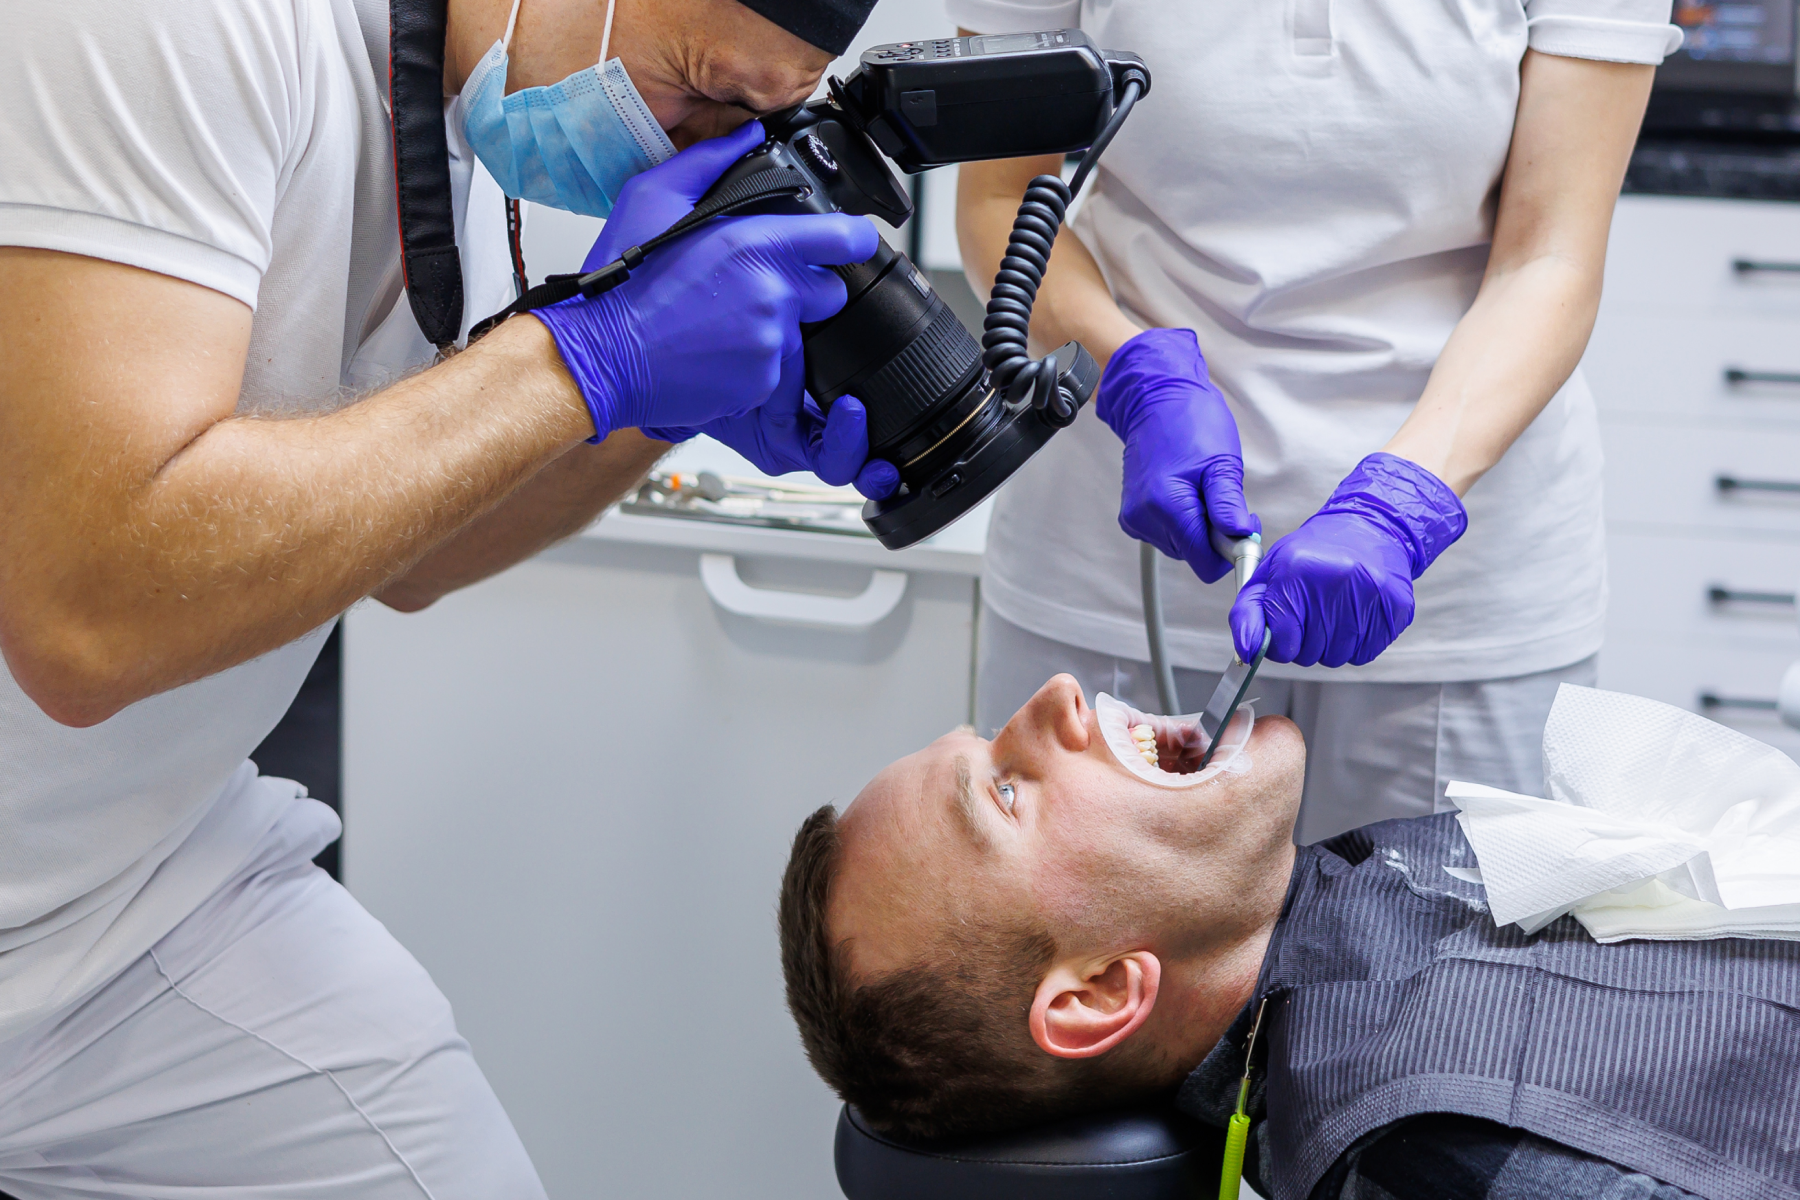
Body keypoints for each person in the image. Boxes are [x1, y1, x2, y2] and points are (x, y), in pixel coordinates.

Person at [0, 0, 893, 1193]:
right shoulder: (184, 26)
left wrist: (654, 403)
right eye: (702, 88)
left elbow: (410, 559)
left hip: (141, 882)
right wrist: (589, 351)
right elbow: (87, 615)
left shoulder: (444, 92)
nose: (699, 147)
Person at [953, 0, 1682, 842]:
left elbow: (1552, 256)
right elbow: (1000, 199)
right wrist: (1134, 375)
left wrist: (1401, 504)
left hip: (1461, 594)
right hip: (1110, 562)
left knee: (1443, 927)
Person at [780, 676, 1800, 1200]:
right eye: (1007, 791)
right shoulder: (1416, 1152)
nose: (1056, 697)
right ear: (1097, 994)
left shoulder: (1346, 898)